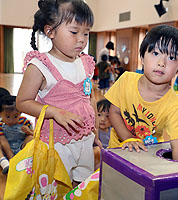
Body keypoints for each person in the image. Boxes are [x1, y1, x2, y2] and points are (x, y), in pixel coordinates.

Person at [16, 0, 101, 187]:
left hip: (84, 139)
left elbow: (90, 99)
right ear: (50, 31)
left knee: (81, 186)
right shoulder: (40, 66)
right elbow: (22, 102)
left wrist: (94, 131)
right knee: (54, 187)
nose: (81, 39)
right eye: (74, 32)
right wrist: (55, 112)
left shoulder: (86, 62)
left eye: (86, 33)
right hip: (56, 144)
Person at [104, 24, 178, 161]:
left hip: (147, 159)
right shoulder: (126, 80)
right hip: (117, 153)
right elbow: (114, 112)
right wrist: (129, 139)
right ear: (142, 58)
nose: (162, 63)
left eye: (172, 58)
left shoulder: (174, 106)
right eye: (155, 53)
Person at [0, 95, 33, 175]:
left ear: (20, 113)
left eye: (15, 116)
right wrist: (11, 157)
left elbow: (34, 134)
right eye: (7, 116)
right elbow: (3, 141)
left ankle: (25, 159)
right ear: (0, 114)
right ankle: (4, 163)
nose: (11, 120)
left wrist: (28, 132)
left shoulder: (24, 121)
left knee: (31, 138)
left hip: (21, 147)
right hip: (7, 149)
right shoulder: (1, 125)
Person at [93, 99, 111, 169]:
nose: (103, 119)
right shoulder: (94, 132)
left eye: (107, 116)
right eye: (99, 115)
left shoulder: (113, 132)